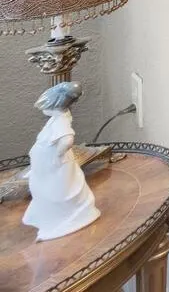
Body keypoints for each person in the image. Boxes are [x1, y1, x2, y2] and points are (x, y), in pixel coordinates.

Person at [24, 81, 100, 241]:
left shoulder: (61, 121)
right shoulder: (56, 119)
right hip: (47, 166)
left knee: (55, 191)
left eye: (45, 107)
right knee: (43, 189)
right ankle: (52, 218)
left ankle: (63, 218)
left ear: (55, 105)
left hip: (56, 166)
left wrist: (57, 155)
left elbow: (67, 140)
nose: (43, 110)